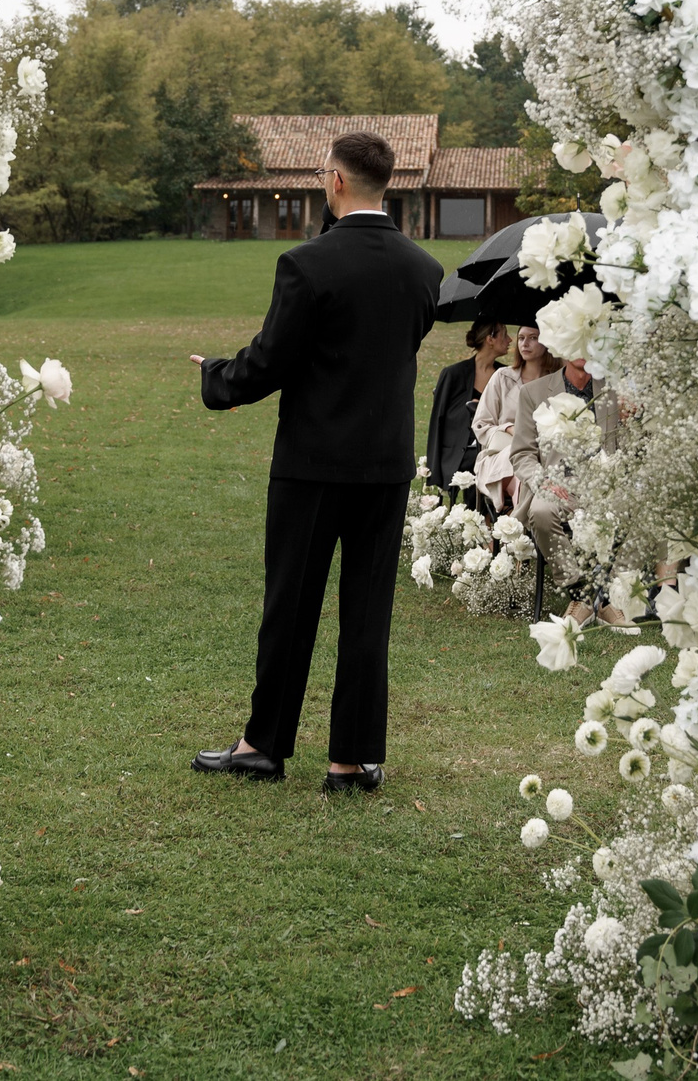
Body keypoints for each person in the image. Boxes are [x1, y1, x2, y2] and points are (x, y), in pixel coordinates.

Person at [186, 130, 440, 792]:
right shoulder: (423, 271)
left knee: (290, 606)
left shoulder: (306, 265)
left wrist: (216, 376)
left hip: (310, 463)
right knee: (367, 612)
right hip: (384, 466)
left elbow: (271, 361)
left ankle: (261, 745)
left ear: (334, 181)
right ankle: (350, 760)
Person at [510, 353, 627, 626]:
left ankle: (606, 597)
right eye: (576, 345)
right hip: (557, 484)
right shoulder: (533, 392)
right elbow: (522, 453)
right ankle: (584, 595)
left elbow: (627, 446)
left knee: (634, 508)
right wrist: (541, 480)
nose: (583, 352)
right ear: (562, 349)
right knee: (540, 511)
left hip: (605, 484)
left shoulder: (615, 392)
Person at [424, 320, 508, 500]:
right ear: (490, 339)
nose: (509, 340)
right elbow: (437, 421)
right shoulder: (453, 374)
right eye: (504, 334)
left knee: (487, 471)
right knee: (475, 469)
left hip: (491, 450)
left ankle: (484, 521)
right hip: (457, 453)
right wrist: (433, 467)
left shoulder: (505, 375)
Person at [469, 322, 546, 513]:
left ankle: (517, 526)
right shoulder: (503, 377)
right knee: (522, 462)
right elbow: (480, 425)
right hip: (502, 456)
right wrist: (510, 429)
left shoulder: (555, 381)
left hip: (544, 458)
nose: (525, 344)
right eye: (521, 338)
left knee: (531, 467)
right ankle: (521, 527)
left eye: (533, 338)